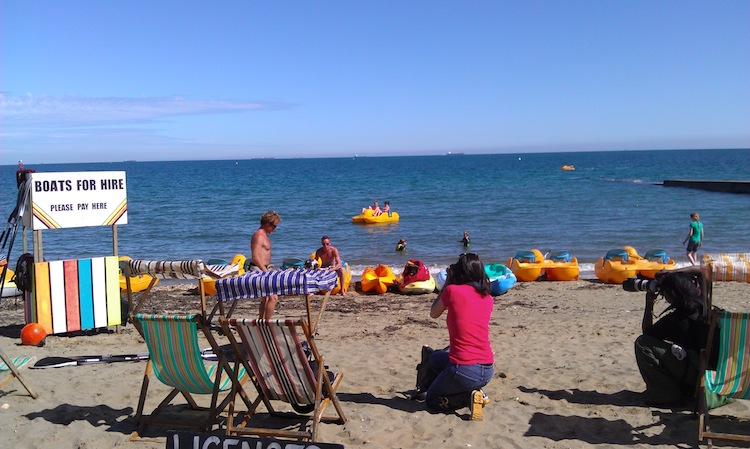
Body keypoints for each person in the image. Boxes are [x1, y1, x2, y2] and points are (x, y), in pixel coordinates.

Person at [634, 267, 723, 407]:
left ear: (671, 295)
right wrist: (673, 273)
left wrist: (649, 304)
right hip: (723, 374)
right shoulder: (704, 304)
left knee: (642, 343)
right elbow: (701, 272)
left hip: (699, 372)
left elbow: (647, 334)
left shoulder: (675, 320)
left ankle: (665, 395)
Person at [426, 253, 494, 420]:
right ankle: (477, 391)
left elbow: (434, 313)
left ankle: (467, 397)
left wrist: (448, 282)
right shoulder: (488, 298)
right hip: (487, 368)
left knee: (431, 400)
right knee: (434, 359)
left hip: (463, 368)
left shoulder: (452, 291)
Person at [250, 210, 281, 318]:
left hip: (264, 268)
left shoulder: (264, 235)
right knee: (273, 297)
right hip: (259, 268)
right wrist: (265, 271)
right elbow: (255, 257)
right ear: (268, 223)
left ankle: (261, 321)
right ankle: (266, 323)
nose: (275, 229)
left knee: (266, 297)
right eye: (274, 226)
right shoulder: (259, 235)